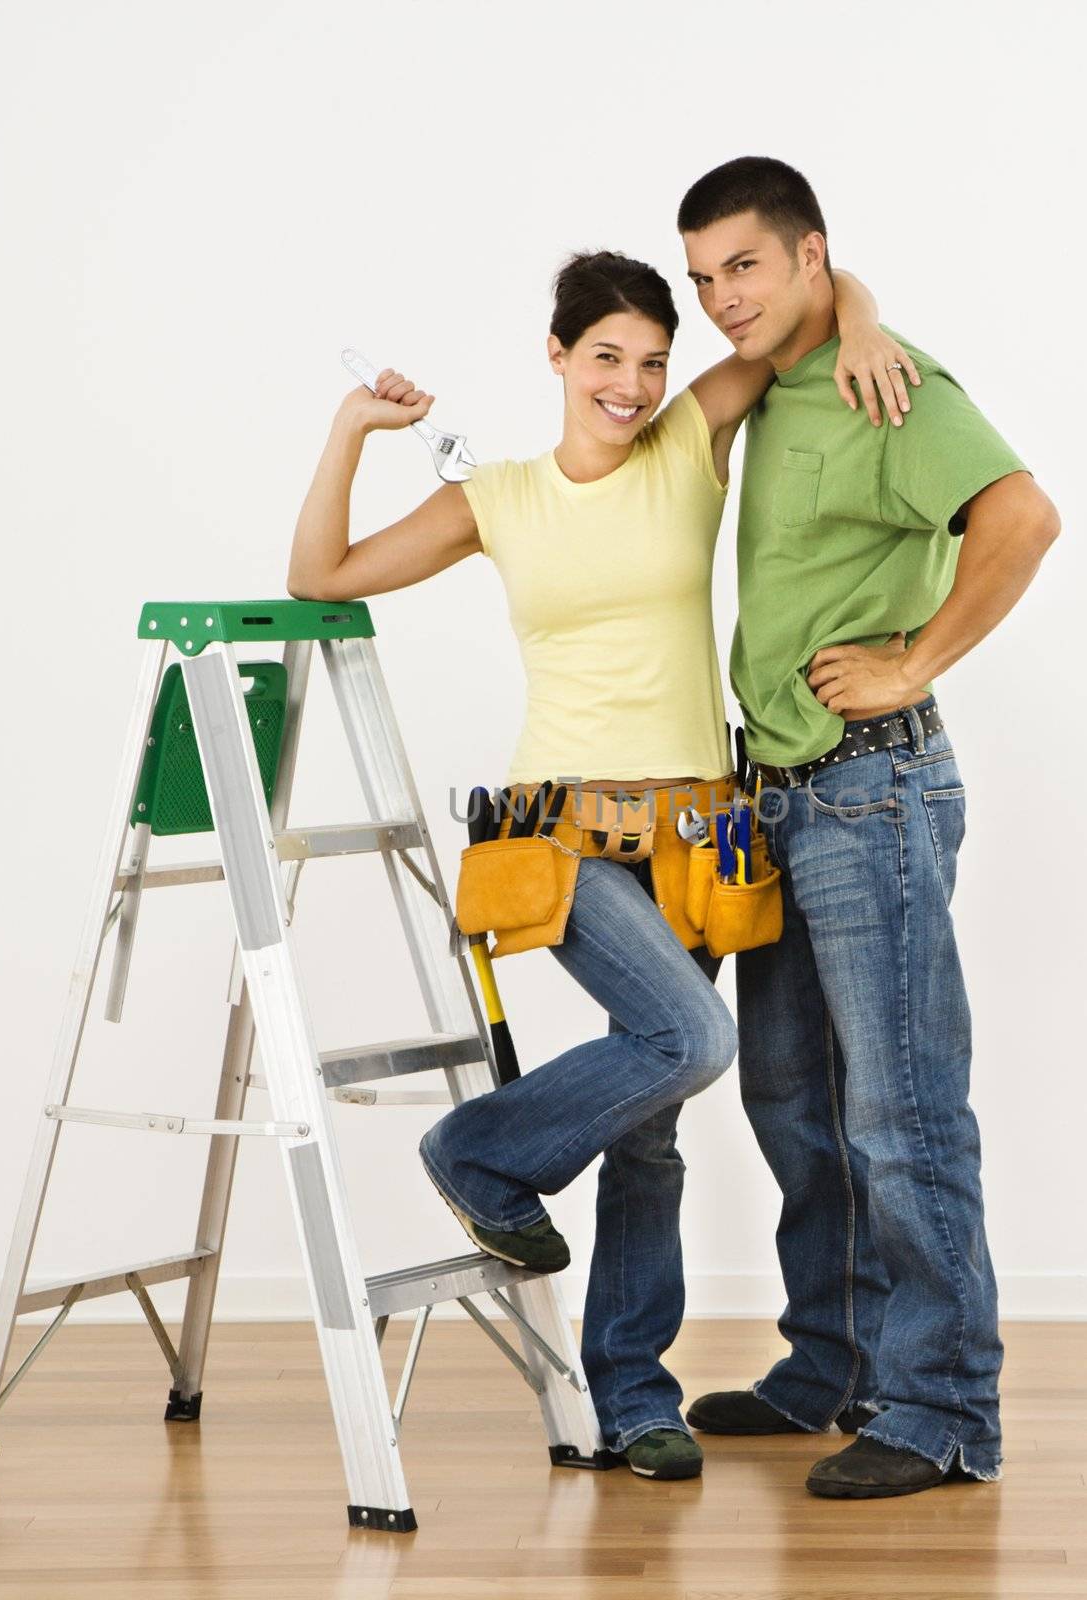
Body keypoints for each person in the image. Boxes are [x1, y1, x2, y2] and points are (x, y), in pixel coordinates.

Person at [286, 248, 914, 1481]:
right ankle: (476, 1153)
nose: (630, 385)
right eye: (607, 358)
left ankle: (633, 1397)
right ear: (559, 357)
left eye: (651, 361)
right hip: (559, 835)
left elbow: (807, 307)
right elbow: (320, 574)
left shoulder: (688, 443)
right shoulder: (500, 497)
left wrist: (872, 324)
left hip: (697, 838)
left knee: (651, 1128)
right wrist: (353, 426)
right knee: (687, 1040)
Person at [675, 157, 1062, 1499]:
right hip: (777, 791)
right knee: (792, 1099)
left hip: (870, 786)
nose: (724, 296)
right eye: (704, 275)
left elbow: (1022, 517)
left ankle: (946, 1411)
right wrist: (851, 304)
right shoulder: (786, 377)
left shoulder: (886, 385)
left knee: (900, 1114)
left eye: (746, 266)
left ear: (807, 255)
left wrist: (911, 661)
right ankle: (834, 1366)